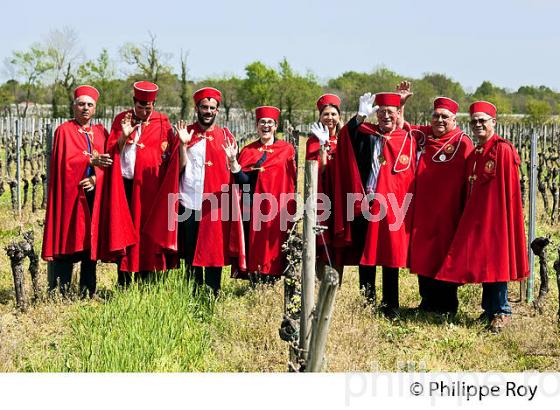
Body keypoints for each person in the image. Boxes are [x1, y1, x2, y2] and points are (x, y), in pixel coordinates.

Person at [435, 101, 529, 332]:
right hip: (478, 218)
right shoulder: (475, 154)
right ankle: (489, 309)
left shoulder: (502, 149)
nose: (478, 125)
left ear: (493, 123)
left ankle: (501, 310)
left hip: (497, 220)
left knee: (497, 262)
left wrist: (503, 222)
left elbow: (509, 192)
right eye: (474, 121)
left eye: (482, 121)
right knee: (487, 264)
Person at [144, 87, 237, 296]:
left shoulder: (226, 136)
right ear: (197, 108)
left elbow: (232, 170)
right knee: (190, 251)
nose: (208, 111)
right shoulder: (187, 133)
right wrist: (183, 146)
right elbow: (179, 168)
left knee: (213, 250)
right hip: (188, 203)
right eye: (204, 107)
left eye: (212, 108)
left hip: (214, 205)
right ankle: (192, 293)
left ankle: (213, 293)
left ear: (217, 111)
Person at [331, 92, 416, 318]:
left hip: (393, 206)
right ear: (375, 114)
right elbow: (345, 135)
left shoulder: (405, 138)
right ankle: (367, 301)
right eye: (381, 112)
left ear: (398, 114)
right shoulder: (366, 134)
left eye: (391, 112)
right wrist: (359, 116)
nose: (386, 116)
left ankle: (391, 305)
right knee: (365, 254)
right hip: (367, 202)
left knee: (390, 256)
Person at [400, 89, 474, 315]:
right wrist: (401, 103)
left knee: (444, 256)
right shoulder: (426, 135)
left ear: (454, 119)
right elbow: (402, 125)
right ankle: (427, 302)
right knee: (424, 256)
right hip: (424, 212)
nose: (439, 120)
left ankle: (447, 306)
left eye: (444, 117)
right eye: (436, 116)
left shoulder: (463, 142)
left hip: (449, 212)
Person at [42, 85, 113, 297]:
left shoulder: (101, 132)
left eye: (89, 105)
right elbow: (63, 163)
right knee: (68, 239)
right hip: (70, 196)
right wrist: (88, 159)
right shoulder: (64, 131)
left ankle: (87, 291)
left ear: (95, 108)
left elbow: (109, 164)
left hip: (94, 195)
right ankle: (60, 291)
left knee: (90, 243)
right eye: (81, 104)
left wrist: (95, 177)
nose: (85, 108)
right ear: (74, 106)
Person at [102, 81, 175, 286]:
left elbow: (170, 154)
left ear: (154, 104)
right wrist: (124, 136)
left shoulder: (162, 122)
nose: (144, 111)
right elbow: (112, 151)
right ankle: (124, 279)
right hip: (125, 184)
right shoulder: (121, 119)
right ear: (134, 102)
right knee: (124, 229)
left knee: (148, 233)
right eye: (140, 106)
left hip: (151, 188)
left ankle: (147, 280)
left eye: (148, 107)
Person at [223, 106, 297, 282]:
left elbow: (290, 179)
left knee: (275, 246)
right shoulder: (248, 151)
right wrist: (233, 161)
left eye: (270, 122)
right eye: (262, 122)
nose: (266, 125)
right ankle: (256, 281)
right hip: (252, 207)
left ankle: (273, 280)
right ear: (257, 126)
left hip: (277, 208)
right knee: (254, 246)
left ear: (276, 126)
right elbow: (243, 181)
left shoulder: (286, 149)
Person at [305, 94, 345, 282]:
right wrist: (322, 146)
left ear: (339, 116)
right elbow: (317, 170)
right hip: (322, 195)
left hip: (341, 195)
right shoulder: (313, 141)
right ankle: (321, 281)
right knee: (322, 238)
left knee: (339, 239)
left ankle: (336, 282)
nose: (329, 118)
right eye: (325, 114)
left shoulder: (345, 139)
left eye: (333, 114)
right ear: (319, 117)